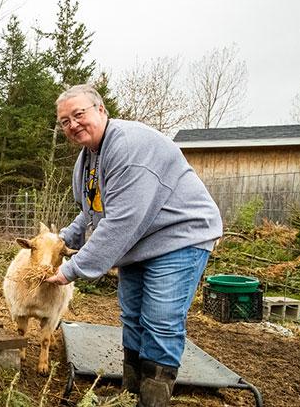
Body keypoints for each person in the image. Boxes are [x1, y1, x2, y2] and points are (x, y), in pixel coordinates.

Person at [45, 84, 222, 407]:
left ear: (101, 110)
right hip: (141, 239)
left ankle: (152, 401)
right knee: (133, 316)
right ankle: (128, 395)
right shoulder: (89, 159)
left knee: (161, 318)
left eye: (79, 114)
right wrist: (62, 240)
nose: (72, 125)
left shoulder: (127, 147)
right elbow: (92, 211)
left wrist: (72, 269)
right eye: (64, 121)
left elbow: (122, 221)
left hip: (178, 236)